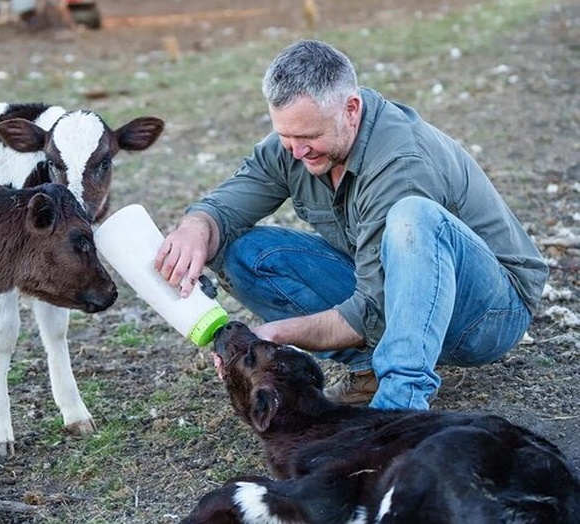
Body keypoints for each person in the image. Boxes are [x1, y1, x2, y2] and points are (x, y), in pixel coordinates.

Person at [154, 39, 548, 410]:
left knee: (414, 217)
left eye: (308, 136)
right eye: (285, 135)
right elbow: (225, 208)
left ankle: (400, 406)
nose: (297, 150)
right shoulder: (297, 144)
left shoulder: (401, 165)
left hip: (486, 315)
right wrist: (197, 228)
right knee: (245, 254)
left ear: (352, 109)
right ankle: (370, 370)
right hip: (388, 293)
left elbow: (373, 310)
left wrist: (276, 334)